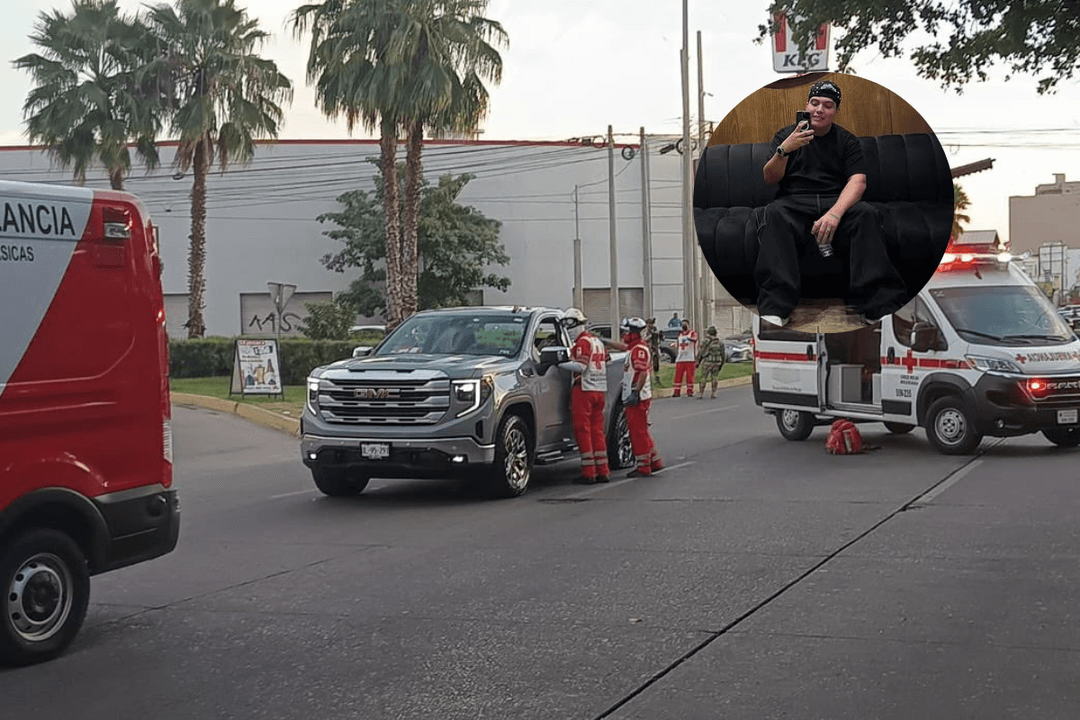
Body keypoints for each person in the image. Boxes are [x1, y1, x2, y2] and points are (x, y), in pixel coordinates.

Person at [756, 79, 907, 327]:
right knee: (774, 213)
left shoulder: (847, 140)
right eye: (814, 103)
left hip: (835, 202)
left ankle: (878, 307)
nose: (819, 110)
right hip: (794, 203)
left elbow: (858, 182)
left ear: (835, 111)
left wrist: (835, 214)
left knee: (866, 214)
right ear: (807, 105)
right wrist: (784, 150)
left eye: (827, 105)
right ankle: (775, 308)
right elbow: (769, 178)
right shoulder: (786, 135)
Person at [556, 308, 611, 484]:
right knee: (597, 431)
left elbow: (581, 367)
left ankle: (589, 472)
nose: (568, 328)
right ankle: (603, 470)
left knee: (583, 430)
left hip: (584, 390)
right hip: (599, 390)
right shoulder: (597, 341)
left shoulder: (582, 343)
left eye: (569, 324)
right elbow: (607, 360)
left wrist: (560, 364)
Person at [606, 317, 663, 478]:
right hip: (638, 396)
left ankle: (644, 466)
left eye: (626, 332)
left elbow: (643, 372)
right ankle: (654, 461)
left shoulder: (639, 350)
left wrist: (635, 392)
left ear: (633, 333)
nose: (624, 335)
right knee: (642, 430)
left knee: (637, 433)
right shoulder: (635, 347)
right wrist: (606, 342)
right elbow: (622, 347)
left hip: (638, 398)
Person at [696, 326, 725, 399]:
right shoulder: (720, 342)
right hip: (717, 362)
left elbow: (701, 352)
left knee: (703, 377)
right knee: (714, 377)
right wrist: (721, 363)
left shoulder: (705, 341)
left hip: (707, 362)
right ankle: (714, 392)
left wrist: (698, 362)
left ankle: (701, 393)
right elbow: (723, 354)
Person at [672, 319, 699, 397]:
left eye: (685, 324)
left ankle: (690, 391)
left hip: (690, 358)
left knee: (690, 376)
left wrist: (689, 339)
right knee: (678, 376)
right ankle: (676, 391)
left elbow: (695, 339)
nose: (684, 326)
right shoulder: (680, 334)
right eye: (682, 324)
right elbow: (677, 344)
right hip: (680, 358)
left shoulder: (692, 333)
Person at [644, 317, 663, 387]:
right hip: (648, 349)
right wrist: (649, 336)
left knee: (656, 364)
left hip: (655, 349)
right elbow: (644, 339)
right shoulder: (645, 331)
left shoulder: (655, 330)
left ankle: (656, 378)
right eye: (649, 323)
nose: (651, 325)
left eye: (652, 323)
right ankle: (648, 379)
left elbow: (658, 340)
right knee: (648, 364)